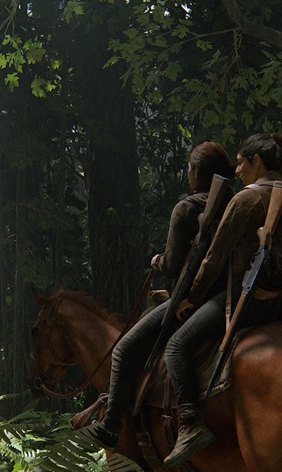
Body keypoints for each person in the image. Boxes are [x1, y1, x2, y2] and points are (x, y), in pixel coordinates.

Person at [161, 132, 282, 468]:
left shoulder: (246, 200)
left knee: (176, 347)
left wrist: (190, 298)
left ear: (257, 161)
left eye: (241, 163)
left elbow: (212, 258)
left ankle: (189, 423)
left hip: (250, 299)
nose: (237, 170)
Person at [89, 142, 234, 449]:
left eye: (190, 168)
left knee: (123, 350)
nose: (187, 173)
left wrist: (158, 261)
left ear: (196, 172)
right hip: (229, 294)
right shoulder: (235, 203)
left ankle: (112, 424)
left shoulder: (187, 208)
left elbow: (172, 265)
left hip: (192, 297)